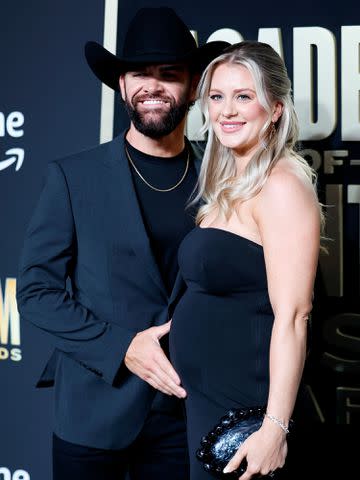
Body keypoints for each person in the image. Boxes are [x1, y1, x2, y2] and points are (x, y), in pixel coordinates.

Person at [16, 7, 228, 480]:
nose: (153, 85)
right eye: (139, 73)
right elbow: (35, 292)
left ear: (193, 87)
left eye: (169, 73)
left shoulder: (223, 179)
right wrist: (122, 348)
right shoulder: (72, 177)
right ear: (121, 86)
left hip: (189, 410)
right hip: (94, 412)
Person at [168, 41, 324, 480]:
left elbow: (294, 316)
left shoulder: (281, 184)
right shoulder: (225, 180)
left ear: (274, 109)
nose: (227, 111)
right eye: (217, 97)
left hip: (247, 411)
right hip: (207, 403)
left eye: (244, 96)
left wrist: (273, 430)